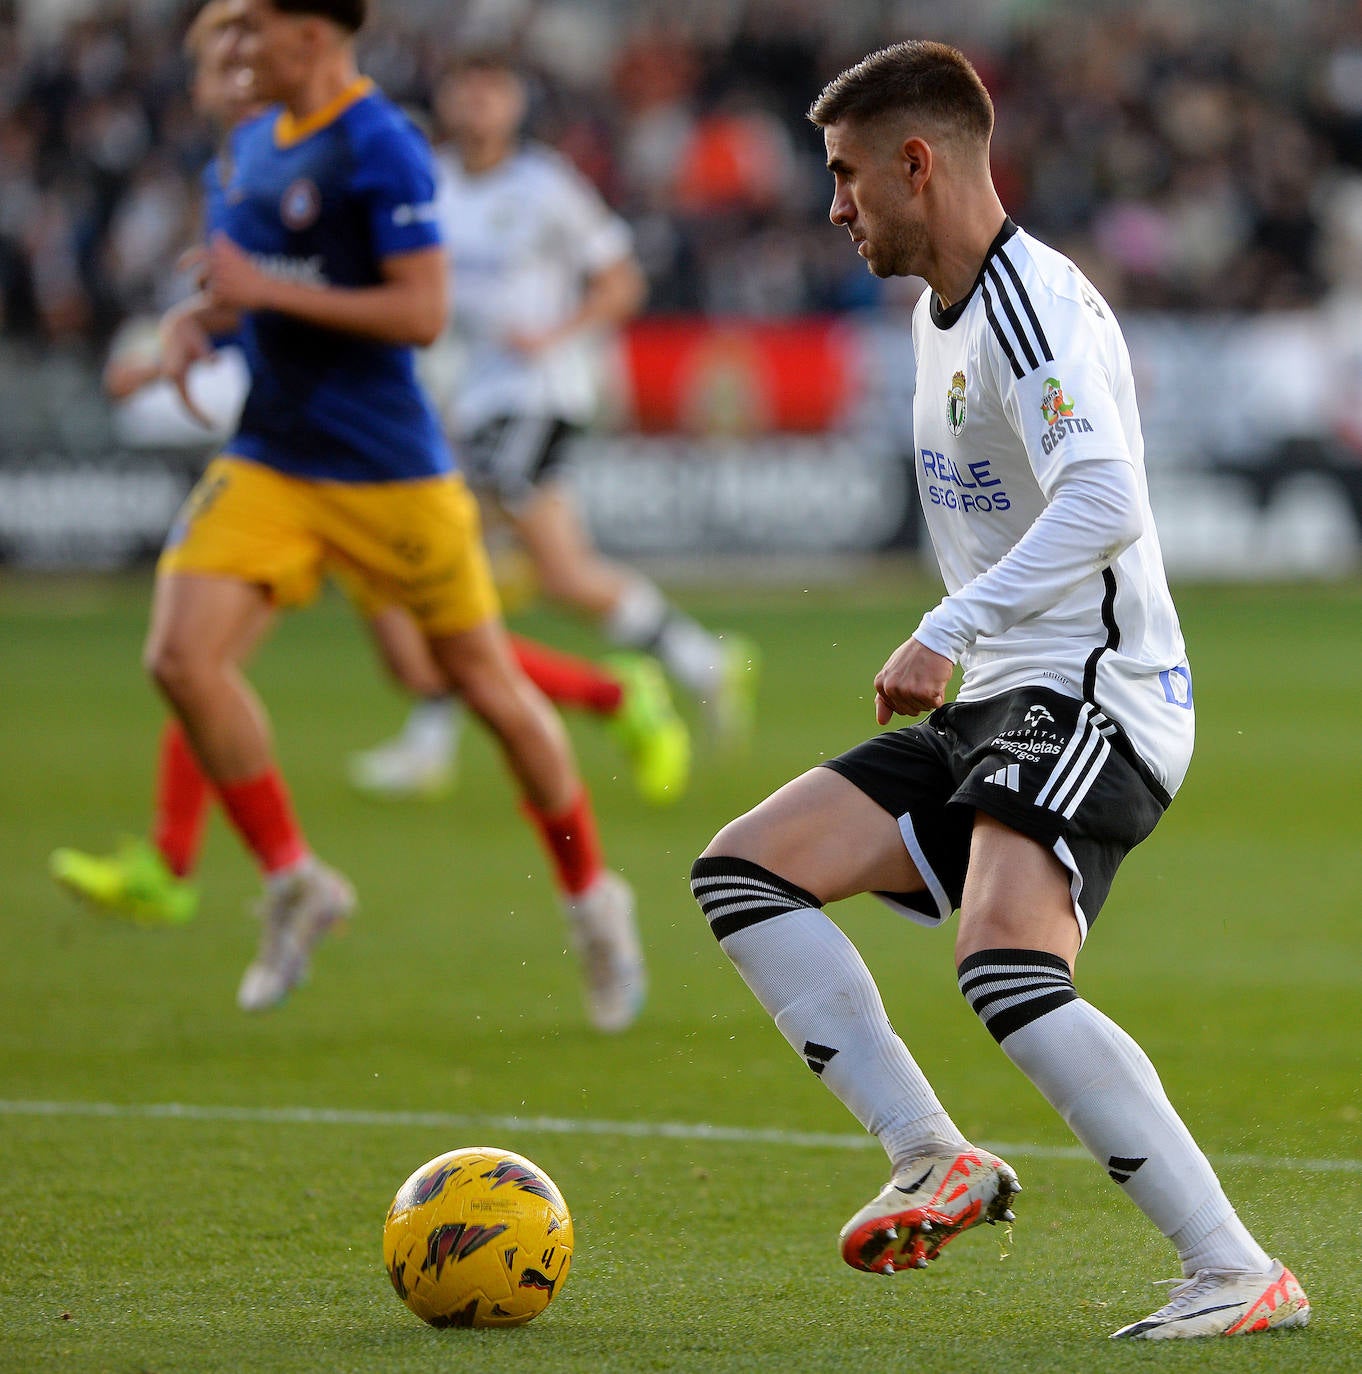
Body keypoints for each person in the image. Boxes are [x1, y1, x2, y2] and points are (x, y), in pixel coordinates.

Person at [690, 41, 1309, 1340]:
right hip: (999, 698)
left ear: (919, 163)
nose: (834, 205)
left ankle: (1234, 1269)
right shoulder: (936, 314)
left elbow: (1106, 497)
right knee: (743, 872)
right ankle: (930, 1154)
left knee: (1004, 966)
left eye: (849, 174)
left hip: (1096, 691)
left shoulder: (1031, 305)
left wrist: (943, 626)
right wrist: (965, 650)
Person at [52, 0, 644, 1034]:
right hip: (273, 457)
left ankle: (593, 898)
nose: (231, 54)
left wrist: (262, 293)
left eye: (250, 33)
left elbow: (415, 313)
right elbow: (244, 294)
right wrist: (197, 324)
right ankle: (293, 881)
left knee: (479, 687)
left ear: (313, 36)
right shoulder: (246, 147)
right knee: (180, 659)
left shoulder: (381, 145)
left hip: (389, 473)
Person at [348, 50, 759, 799]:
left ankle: (433, 736)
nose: (476, 101)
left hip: (537, 395)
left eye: (491, 87)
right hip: (469, 400)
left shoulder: (546, 187)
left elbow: (623, 281)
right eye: (464, 84)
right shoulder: (428, 181)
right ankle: (700, 660)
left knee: (441, 548)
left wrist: (558, 332)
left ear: (514, 102)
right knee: (564, 574)